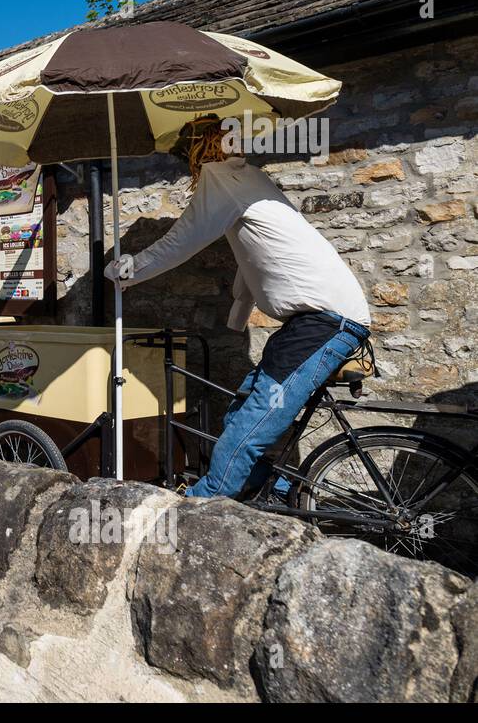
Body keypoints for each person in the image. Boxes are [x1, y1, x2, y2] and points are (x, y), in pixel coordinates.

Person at [105, 117, 371, 501]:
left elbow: (181, 241)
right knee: (242, 410)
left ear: (196, 153)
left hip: (324, 321)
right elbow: (256, 260)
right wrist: (237, 317)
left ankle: (205, 505)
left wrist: (126, 271)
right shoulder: (250, 179)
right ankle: (266, 494)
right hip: (317, 319)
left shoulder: (221, 179)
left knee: (251, 423)